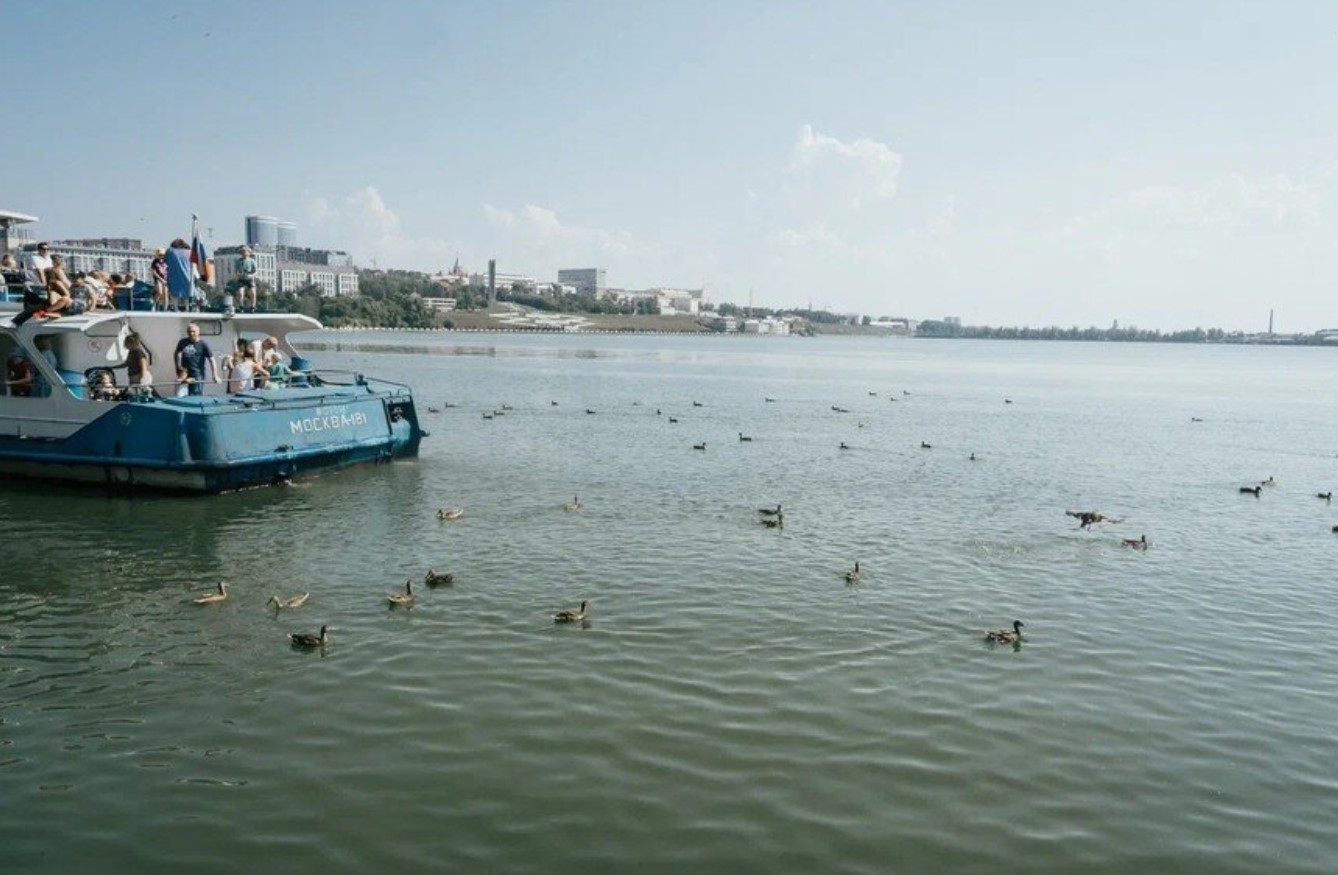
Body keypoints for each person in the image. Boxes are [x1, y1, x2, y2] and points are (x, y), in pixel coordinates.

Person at [173, 322, 216, 396]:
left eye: (193, 331)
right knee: (181, 395)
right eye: (189, 331)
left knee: (195, 396)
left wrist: (215, 375)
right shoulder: (182, 342)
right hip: (184, 374)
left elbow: (212, 359)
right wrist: (177, 366)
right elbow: (176, 353)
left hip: (197, 375)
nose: (191, 333)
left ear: (198, 332)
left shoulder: (203, 344)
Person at [165, 239, 193, 311]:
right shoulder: (189, 252)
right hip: (187, 275)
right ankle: (187, 308)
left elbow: (165, 262)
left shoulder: (170, 251)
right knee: (187, 294)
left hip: (173, 275)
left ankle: (176, 308)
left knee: (174, 293)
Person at [235, 246, 259, 312]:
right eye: (242, 252)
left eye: (245, 251)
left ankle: (253, 307)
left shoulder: (252, 261)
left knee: (253, 293)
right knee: (240, 293)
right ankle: (241, 306)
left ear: (249, 253)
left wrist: (252, 275)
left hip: (250, 277)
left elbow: (256, 271)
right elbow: (236, 271)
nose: (243, 253)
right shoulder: (238, 261)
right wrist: (239, 275)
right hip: (242, 277)